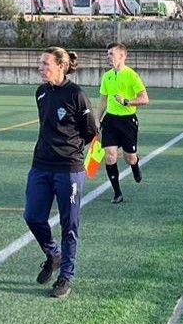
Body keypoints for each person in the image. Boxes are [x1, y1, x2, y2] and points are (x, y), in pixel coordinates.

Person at [25, 46, 98, 299]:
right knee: (33, 216)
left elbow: (90, 131)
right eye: (40, 63)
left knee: (70, 224)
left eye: (45, 63)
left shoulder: (76, 94)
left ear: (60, 66)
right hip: (41, 165)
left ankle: (66, 275)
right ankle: (53, 254)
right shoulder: (40, 93)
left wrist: (73, 151)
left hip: (68, 169)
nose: (40, 67)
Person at [97, 42, 149, 204]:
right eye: (107, 54)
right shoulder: (107, 76)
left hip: (127, 122)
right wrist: (97, 119)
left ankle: (135, 165)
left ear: (122, 56)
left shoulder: (132, 75)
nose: (108, 57)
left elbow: (144, 99)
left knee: (129, 157)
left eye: (111, 54)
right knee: (110, 155)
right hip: (110, 120)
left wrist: (127, 102)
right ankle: (117, 192)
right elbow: (103, 99)